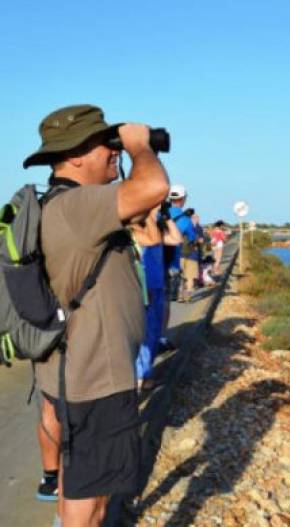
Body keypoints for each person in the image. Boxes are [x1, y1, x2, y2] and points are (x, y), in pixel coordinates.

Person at [23, 104, 169, 527]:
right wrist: (140, 146)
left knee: (78, 480)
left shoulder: (60, 204)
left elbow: (144, 220)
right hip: (96, 378)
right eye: (105, 144)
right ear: (74, 156)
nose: (114, 150)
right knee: (92, 502)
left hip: (74, 370)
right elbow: (154, 186)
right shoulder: (78, 206)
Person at [130, 205, 181, 391]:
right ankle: (138, 378)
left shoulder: (156, 230)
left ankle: (146, 375)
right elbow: (152, 240)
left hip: (157, 285)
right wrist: (151, 213)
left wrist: (167, 216)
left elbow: (176, 239)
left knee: (154, 333)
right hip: (143, 288)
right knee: (142, 334)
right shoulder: (135, 231)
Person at [166, 185, 197, 302]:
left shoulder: (159, 214)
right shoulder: (186, 220)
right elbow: (192, 238)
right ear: (183, 199)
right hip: (174, 260)